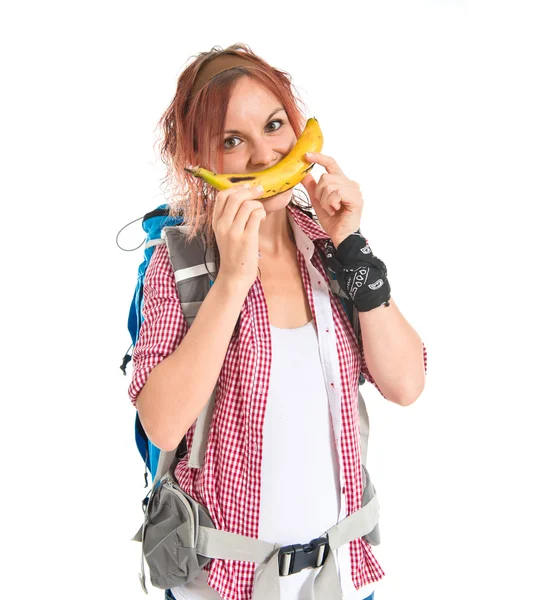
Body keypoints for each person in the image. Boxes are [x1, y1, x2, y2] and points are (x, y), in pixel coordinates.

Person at [128, 43, 427, 600]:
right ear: (198, 162)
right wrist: (233, 281)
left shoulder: (328, 248)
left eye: (274, 125)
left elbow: (406, 384)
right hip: (224, 583)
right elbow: (162, 425)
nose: (265, 155)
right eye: (232, 141)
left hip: (339, 576)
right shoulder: (178, 262)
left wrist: (352, 247)